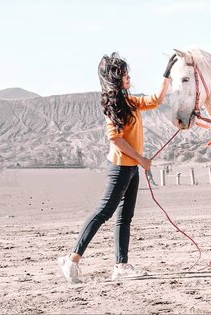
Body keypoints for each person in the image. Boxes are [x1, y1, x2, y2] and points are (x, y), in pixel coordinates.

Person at [57, 52, 177, 284]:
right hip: (121, 167)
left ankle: (121, 266)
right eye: (124, 73)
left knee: (125, 217)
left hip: (131, 169)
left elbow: (155, 100)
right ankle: (71, 260)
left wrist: (166, 75)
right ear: (115, 77)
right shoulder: (113, 105)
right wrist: (141, 159)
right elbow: (116, 139)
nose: (129, 76)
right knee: (104, 212)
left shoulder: (130, 101)